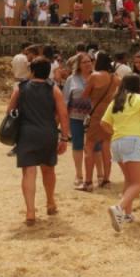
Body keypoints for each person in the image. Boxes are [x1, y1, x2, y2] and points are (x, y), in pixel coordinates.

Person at [7, 57, 70, 225]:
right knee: (48, 170)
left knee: (29, 172)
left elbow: (10, 111)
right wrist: (64, 137)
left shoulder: (20, 88)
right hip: (48, 133)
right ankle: (50, 202)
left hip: (26, 134)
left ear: (32, 71)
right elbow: (63, 114)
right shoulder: (54, 89)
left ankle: (30, 212)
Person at [102, 74, 140, 232]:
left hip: (116, 143)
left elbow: (104, 123)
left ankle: (127, 215)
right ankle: (119, 208)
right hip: (133, 141)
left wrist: (115, 132)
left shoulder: (116, 101)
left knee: (129, 180)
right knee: (139, 183)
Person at [79, 53, 120, 191]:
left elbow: (84, 95)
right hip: (110, 114)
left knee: (89, 146)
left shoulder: (94, 76)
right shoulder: (115, 78)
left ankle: (88, 182)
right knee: (106, 147)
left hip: (96, 114)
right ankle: (106, 180)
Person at [63, 53, 94, 188]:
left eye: (89, 61)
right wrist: (64, 120)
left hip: (94, 117)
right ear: (79, 65)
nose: (88, 64)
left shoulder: (96, 76)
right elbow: (65, 100)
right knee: (77, 145)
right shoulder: (71, 79)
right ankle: (79, 174)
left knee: (94, 147)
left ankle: (95, 175)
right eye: (84, 62)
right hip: (76, 117)